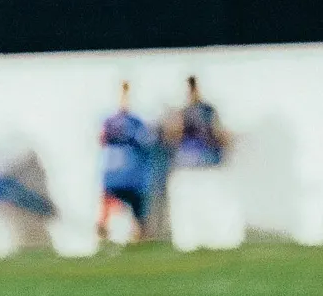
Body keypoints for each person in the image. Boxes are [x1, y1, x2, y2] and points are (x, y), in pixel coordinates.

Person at [162, 76, 243, 252]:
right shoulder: (182, 113)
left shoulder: (207, 111)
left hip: (207, 164)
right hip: (187, 165)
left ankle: (216, 239)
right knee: (188, 207)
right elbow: (172, 136)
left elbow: (220, 135)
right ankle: (190, 241)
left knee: (211, 204)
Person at [97, 81, 153, 243]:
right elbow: (101, 139)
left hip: (132, 172)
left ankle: (138, 235)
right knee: (111, 203)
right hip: (117, 172)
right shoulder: (110, 121)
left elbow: (145, 141)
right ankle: (105, 233)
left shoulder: (136, 121)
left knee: (137, 207)